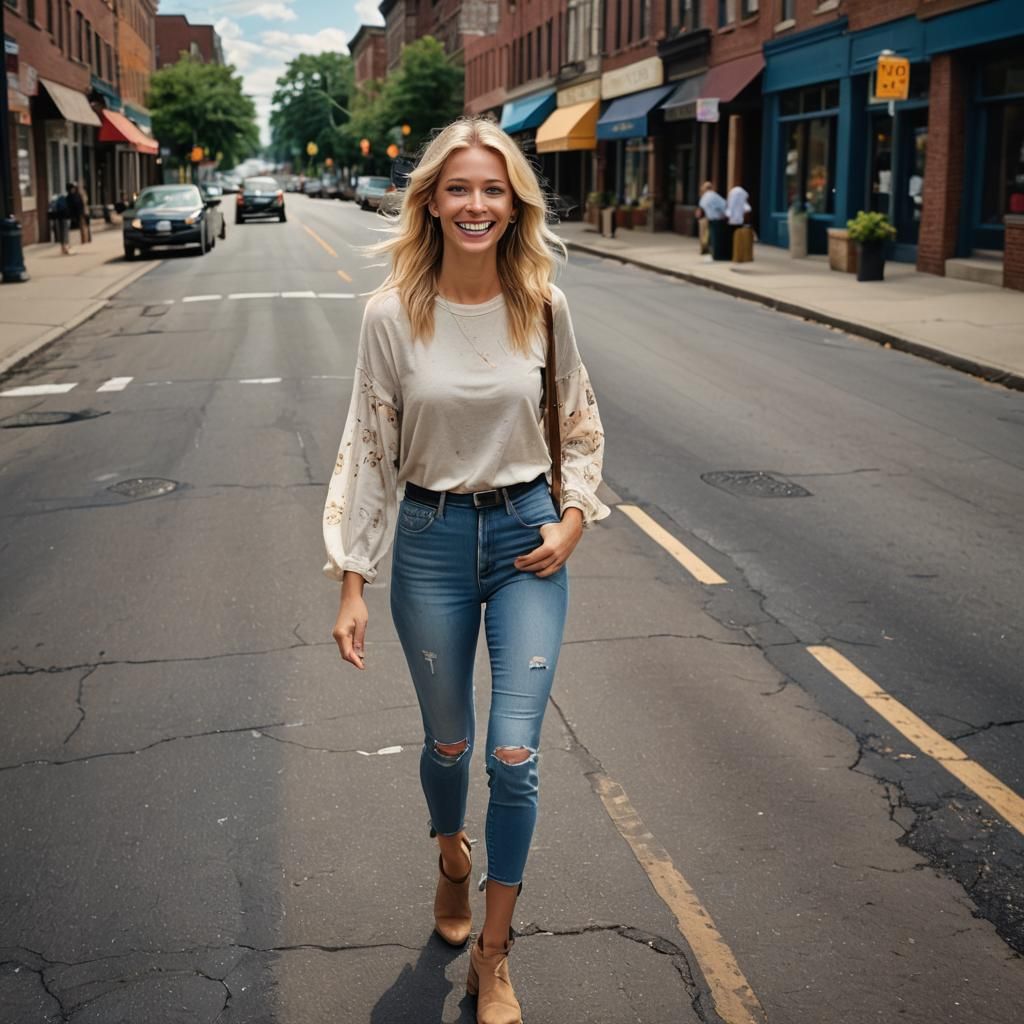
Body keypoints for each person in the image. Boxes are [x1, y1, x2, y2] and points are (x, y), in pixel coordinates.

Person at [323, 117, 609, 1024]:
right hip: (433, 543)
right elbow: (368, 450)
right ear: (432, 203)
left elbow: (579, 425)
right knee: (449, 744)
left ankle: (494, 955)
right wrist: (352, 580)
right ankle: (451, 852)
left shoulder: (544, 304)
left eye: (492, 188)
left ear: (514, 201)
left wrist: (571, 522)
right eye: (458, 189)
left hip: (529, 538)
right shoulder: (389, 315)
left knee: (514, 754)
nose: (476, 204)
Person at [698, 181, 727, 262]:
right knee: (714, 238)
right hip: (717, 219)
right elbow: (724, 205)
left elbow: (700, 210)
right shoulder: (714, 196)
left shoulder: (706, 197)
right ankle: (715, 254)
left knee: (713, 238)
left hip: (712, 219)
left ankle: (715, 255)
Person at [66, 183, 85, 252]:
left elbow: (81, 205)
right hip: (72, 216)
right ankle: (73, 244)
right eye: (71, 188)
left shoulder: (77, 196)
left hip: (78, 215)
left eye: (73, 188)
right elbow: (69, 207)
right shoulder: (69, 197)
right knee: (73, 230)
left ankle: (81, 241)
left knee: (79, 228)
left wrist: (82, 213)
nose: (73, 190)